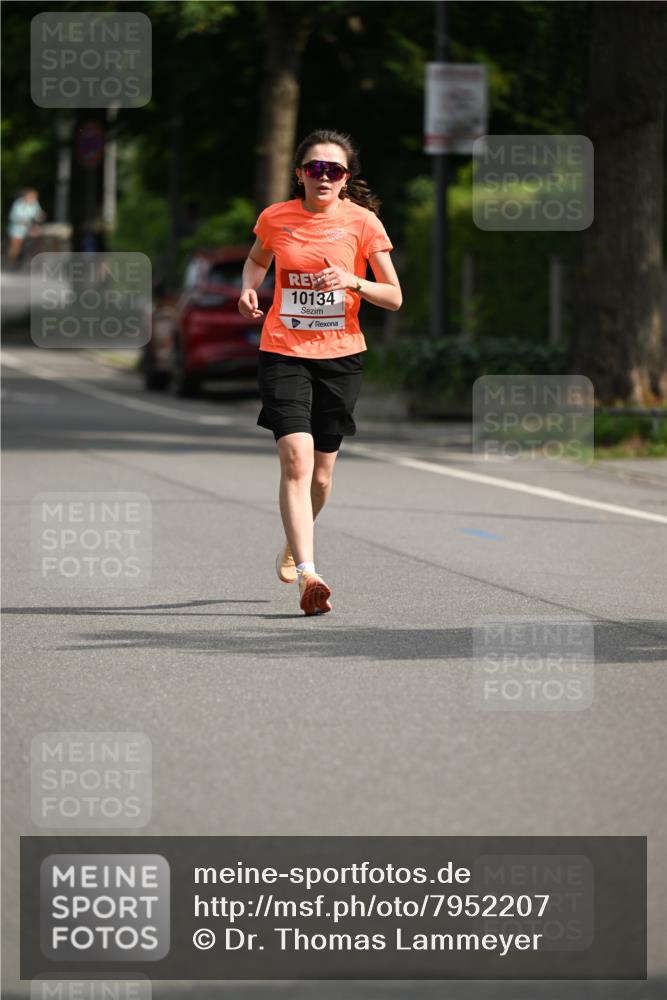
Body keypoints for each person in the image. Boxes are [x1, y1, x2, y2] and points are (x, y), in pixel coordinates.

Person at [239, 129, 402, 616]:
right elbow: (255, 260)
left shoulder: (363, 222)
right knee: (296, 461)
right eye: (315, 169)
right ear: (300, 174)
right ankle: (311, 575)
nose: (324, 177)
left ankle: (295, 541)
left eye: (334, 170)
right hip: (283, 350)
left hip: (340, 355)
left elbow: (393, 296)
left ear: (346, 178)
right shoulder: (276, 218)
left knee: (323, 478)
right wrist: (249, 288)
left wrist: (354, 280)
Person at [6, 188, 46, 267]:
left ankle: (34, 259)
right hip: (17, 228)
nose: (33, 199)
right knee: (16, 246)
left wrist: (41, 216)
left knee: (39, 238)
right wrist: (23, 221)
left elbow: (37, 215)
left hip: (29, 228)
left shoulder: (35, 204)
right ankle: (11, 263)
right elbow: (13, 217)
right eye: (32, 197)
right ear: (26, 196)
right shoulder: (18, 204)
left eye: (35, 197)